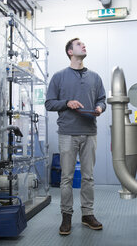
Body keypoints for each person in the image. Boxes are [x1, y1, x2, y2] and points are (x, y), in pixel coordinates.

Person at [45, 38, 106, 235]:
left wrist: (100, 108)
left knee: (88, 177)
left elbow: (102, 100)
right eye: (79, 44)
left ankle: (87, 214)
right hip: (67, 133)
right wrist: (67, 103)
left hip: (90, 133)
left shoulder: (95, 77)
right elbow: (49, 103)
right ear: (70, 52)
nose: (84, 45)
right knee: (66, 178)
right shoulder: (59, 77)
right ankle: (66, 216)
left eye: (84, 44)